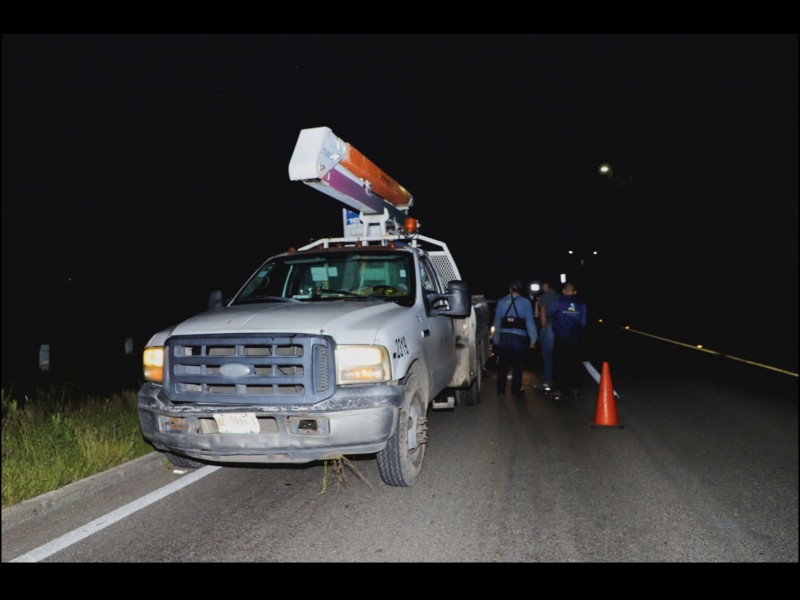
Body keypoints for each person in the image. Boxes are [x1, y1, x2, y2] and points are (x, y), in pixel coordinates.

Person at [492, 280, 538, 397]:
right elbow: (530, 322)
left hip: (504, 336)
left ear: (510, 289)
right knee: (517, 365)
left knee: (502, 364)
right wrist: (533, 339)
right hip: (519, 337)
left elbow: (497, 322)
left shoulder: (501, 301)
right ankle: (515, 391)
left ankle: (501, 389)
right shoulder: (526, 302)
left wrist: (496, 339)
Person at [550, 282, 587, 399]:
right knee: (574, 362)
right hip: (575, 338)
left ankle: (558, 389)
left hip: (560, 337)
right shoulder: (581, 305)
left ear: (563, 291)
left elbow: (549, 314)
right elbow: (583, 323)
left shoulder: (557, 303)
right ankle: (575, 388)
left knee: (559, 362)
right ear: (575, 292)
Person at [535, 280, 561, 392]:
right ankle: (558, 380)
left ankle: (548, 380)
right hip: (559, 328)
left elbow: (541, 312)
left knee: (547, 356)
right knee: (556, 355)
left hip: (548, 327)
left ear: (546, 286)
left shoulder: (544, 297)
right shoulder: (559, 297)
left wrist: (543, 327)